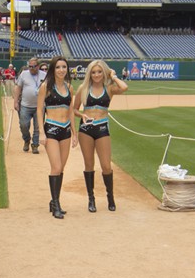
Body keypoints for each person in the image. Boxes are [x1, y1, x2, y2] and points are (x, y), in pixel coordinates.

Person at [72, 60, 128, 212]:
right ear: (89, 73)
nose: (96, 75)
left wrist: (113, 76)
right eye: (93, 72)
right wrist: (82, 114)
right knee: (89, 165)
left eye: (99, 72)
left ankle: (110, 196)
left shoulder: (109, 88)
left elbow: (124, 87)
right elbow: (74, 109)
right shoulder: (83, 88)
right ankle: (91, 199)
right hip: (86, 129)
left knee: (106, 165)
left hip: (102, 128)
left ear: (104, 73)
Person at [36, 56, 77, 219]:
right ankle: (56, 204)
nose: (61, 70)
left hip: (65, 130)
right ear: (53, 69)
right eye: (58, 67)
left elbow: (71, 111)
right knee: (56, 167)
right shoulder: (45, 87)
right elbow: (39, 110)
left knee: (62, 168)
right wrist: (41, 132)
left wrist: (75, 133)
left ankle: (54, 201)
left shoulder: (69, 87)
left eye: (64, 67)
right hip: (51, 129)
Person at [13, 57, 42, 154]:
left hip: (39, 106)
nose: (31, 68)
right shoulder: (24, 74)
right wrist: (16, 101)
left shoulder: (44, 75)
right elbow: (18, 88)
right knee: (23, 125)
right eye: (30, 66)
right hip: (25, 105)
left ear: (38, 66)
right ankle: (26, 139)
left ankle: (35, 145)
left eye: (34, 66)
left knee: (37, 127)